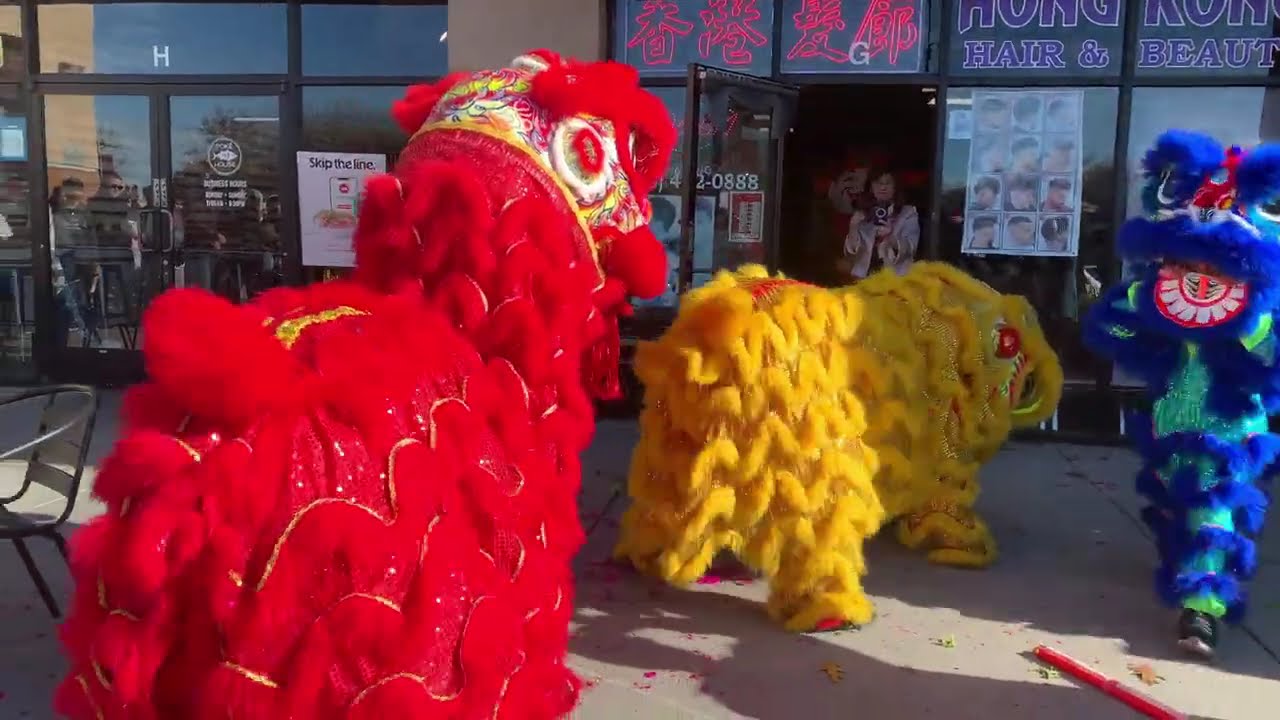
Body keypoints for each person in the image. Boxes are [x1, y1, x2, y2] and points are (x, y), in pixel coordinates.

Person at [843, 168, 919, 279]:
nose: (883, 187)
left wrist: (890, 236)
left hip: (895, 280)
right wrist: (853, 226)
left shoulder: (908, 213)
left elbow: (911, 248)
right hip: (863, 280)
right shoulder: (862, 213)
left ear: (895, 187)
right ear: (871, 187)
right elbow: (851, 255)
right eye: (878, 183)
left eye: (888, 183)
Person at [48, 179, 96, 347]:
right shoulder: (54, 215)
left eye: (77, 193)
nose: (74, 198)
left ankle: (87, 340)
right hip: (62, 264)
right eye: (70, 193)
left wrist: (95, 264)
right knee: (65, 302)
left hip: (84, 263)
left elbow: (93, 242)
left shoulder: (86, 216)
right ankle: (63, 342)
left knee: (85, 301)